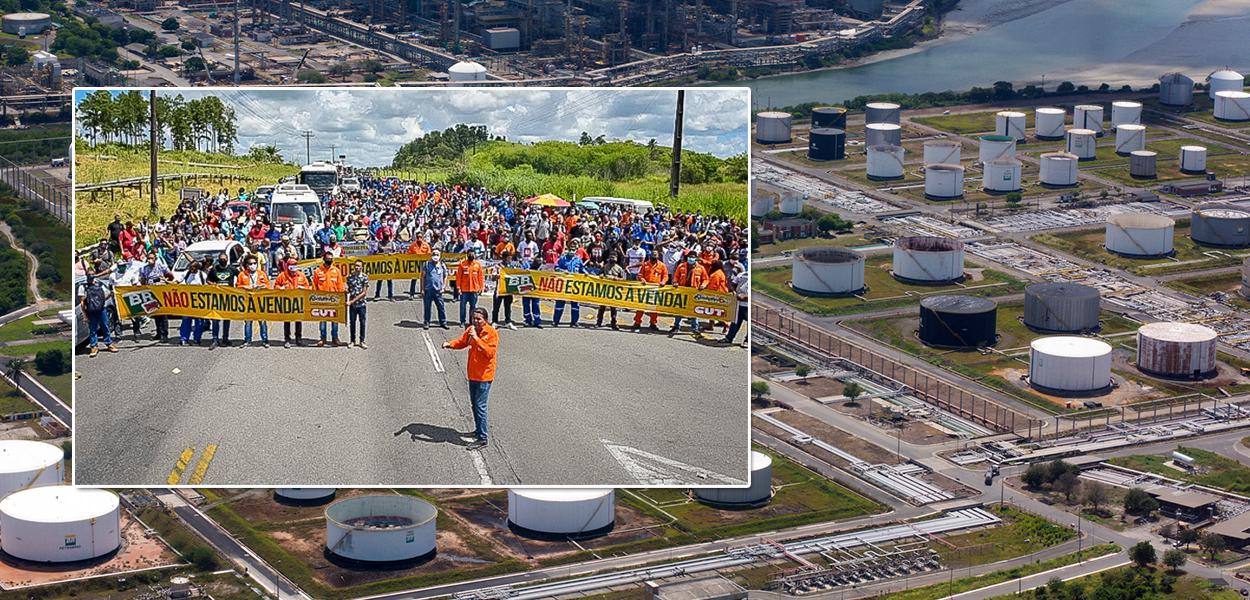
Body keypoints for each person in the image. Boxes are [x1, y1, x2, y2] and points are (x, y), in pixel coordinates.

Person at [442, 307, 498, 452]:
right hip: (473, 374)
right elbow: (462, 342)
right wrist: (450, 344)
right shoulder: (471, 330)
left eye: (479, 319)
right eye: (474, 318)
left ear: (485, 319)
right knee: (474, 405)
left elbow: (489, 353)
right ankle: (478, 430)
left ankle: (483, 438)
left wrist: (477, 339)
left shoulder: (491, 333)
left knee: (480, 407)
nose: (476, 321)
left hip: (484, 376)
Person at [669, 251, 708, 337]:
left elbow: (705, 279)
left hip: (694, 292)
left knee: (693, 311)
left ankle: (695, 328)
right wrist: (675, 282)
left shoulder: (700, 268)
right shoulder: (681, 266)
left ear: (696, 258)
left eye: (693, 257)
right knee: (679, 310)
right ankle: (676, 326)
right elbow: (676, 277)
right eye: (690, 257)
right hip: (682, 291)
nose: (691, 258)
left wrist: (703, 285)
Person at [312, 251, 346, 346]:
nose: (329, 261)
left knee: (335, 320)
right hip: (322, 300)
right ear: (324, 259)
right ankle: (322, 338)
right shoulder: (318, 271)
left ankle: (335, 338)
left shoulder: (336, 271)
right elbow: (314, 286)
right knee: (322, 321)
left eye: (330, 260)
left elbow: (340, 286)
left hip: (334, 300)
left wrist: (342, 298)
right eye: (327, 259)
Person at [236, 255, 271, 347]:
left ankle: (265, 340)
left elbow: (268, 286)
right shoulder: (242, 275)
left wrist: (261, 286)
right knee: (248, 322)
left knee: (262, 321)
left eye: (254, 263)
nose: (253, 265)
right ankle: (247, 340)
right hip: (247, 301)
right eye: (250, 263)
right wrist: (245, 287)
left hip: (260, 301)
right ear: (246, 265)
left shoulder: (262, 274)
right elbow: (237, 287)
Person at [273, 259, 309, 348]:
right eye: (292, 265)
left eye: (295, 265)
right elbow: (276, 286)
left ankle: (298, 339)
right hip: (287, 302)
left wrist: (303, 287)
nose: (293, 269)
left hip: (298, 301)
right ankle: (287, 339)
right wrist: (280, 288)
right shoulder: (282, 275)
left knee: (298, 321)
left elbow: (308, 287)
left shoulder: (301, 275)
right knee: (287, 321)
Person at [81, 275, 118, 357]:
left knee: (105, 326)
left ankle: (108, 343)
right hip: (91, 311)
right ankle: (94, 346)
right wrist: (85, 314)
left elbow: (105, 296)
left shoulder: (99, 286)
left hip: (102, 309)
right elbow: (82, 302)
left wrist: (101, 301)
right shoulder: (83, 288)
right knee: (93, 329)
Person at [138, 252, 173, 341]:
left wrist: (165, 280)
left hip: (161, 292)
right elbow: (142, 281)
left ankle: (165, 334)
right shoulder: (144, 268)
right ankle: (158, 333)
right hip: (151, 293)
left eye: (152, 258)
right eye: (148, 258)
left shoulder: (161, 266)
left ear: (155, 259)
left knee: (163, 315)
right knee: (156, 313)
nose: (150, 260)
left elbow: (171, 276)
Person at [207, 252, 237, 349]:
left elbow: (241, 277)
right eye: (221, 259)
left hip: (228, 299)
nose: (223, 260)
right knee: (215, 319)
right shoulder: (214, 269)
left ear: (227, 259)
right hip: (217, 298)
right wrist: (213, 284)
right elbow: (208, 280)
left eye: (224, 259)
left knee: (226, 320)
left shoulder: (232, 269)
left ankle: (225, 338)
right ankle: (215, 339)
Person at [177, 260, 209, 346]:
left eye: (193, 267)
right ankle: (184, 338)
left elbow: (207, 287)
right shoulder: (186, 274)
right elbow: (177, 282)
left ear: (197, 267)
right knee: (186, 321)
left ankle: (197, 339)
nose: (191, 269)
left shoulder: (203, 275)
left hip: (199, 302)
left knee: (199, 322)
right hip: (188, 302)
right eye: (190, 267)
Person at [633, 251, 667, 331]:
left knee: (653, 308)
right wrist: (642, 279)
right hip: (645, 288)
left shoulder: (662, 265)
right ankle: (637, 322)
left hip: (656, 289)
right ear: (650, 255)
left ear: (658, 256)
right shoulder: (645, 264)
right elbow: (640, 275)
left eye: (656, 254)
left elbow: (665, 275)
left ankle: (653, 323)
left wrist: (663, 282)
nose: (654, 255)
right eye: (653, 254)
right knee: (641, 306)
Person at [552, 244, 585, 327]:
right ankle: (556, 321)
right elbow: (556, 268)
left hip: (575, 285)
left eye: (573, 249)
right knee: (560, 303)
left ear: (576, 250)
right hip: (564, 284)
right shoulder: (563, 258)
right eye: (570, 249)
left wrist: (590, 275)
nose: (571, 251)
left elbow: (582, 270)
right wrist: (563, 271)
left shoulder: (578, 260)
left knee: (575, 305)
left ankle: (574, 322)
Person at [594, 256, 627, 330]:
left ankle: (613, 323)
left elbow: (624, 279)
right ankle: (599, 322)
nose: (612, 259)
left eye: (614, 258)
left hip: (614, 291)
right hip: (605, 290)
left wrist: (618, 279)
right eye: (611, 257)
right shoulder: (605, 266)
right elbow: (599, 274)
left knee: (613, 308)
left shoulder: (619, 268)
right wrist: (601, 275)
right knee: (602, 307)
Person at [455, 249, 486, 326]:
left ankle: (472, 322)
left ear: (475, 255)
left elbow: (481, 277)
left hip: (474, 290)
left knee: (473, 307)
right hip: (464, 290)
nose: (471, 255)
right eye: (470, 254)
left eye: (473, 254)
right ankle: (462, 321)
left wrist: (481, 287)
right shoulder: (462, 264)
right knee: (462, 307)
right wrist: (458, 288)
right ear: (467, 255)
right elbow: (458, 277)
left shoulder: (477, 265)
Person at [722, 260, 748, 347]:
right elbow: (733, 284)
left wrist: (746, 297)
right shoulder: (742, 275)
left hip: (748, 306)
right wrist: (733, 291)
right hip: (738, 304)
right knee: (735, 322)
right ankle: (729, 338)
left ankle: (747, 340)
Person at [490, 250, 518, 330]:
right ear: (505, 258)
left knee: (508, 307)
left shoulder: (512, 267)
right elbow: (492, 277)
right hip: (499, 289)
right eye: (509, 258)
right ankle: (494, 322)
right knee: (496, 307)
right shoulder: (497, 266)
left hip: (508, 290)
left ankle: (508, 322)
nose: (510, 259)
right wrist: (498, 276)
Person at [422, 250, 449, 329]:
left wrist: (444, 287)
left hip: (438, 291)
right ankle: (427, 322)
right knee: (427, 307)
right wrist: (422, 289)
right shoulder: (427, 264)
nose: (435, 256)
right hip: (428, 290)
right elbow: (422, 277)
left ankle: (443, 322)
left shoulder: (442, 265)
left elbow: (445, 276)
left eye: (437, 254)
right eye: (434, 254)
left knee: (441, 307)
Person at [346, 259, 370, 348]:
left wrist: (352, 301)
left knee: (362, 323)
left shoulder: (365, 277)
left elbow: (364, 292)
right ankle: (352, 340)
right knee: (352, 323)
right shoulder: (350, 277)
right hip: (352, 306)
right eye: (355, 265)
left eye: (359, 266)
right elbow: (348, 289)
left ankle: (362, 341)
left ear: (362, 267)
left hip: (361, 304)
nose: (357, 267)